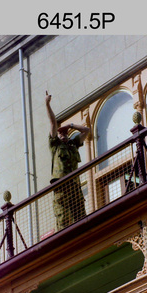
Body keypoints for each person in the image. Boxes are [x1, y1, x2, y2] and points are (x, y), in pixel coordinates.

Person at [45, 91, 91, 230]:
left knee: (81, 219)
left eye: (65, 133)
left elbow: (86, 130)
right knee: (64, 220)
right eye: (60, 133)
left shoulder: (73, 144)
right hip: (61, 187)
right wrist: (47, 104)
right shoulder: (55, 146)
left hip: (74, 186)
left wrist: (71, 125)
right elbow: (53, 123)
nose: (63, 135)